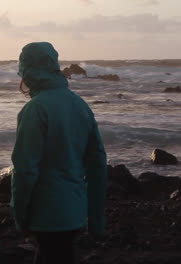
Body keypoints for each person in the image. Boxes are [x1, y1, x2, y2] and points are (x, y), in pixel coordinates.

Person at [10, 42, 107, 264]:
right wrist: (96, 219)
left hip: (46, 215)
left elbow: (25, 170)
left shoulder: (35, 109)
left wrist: (19, 215)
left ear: (27, 72)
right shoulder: (80, 105)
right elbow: (98, 164)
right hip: (75, 212)